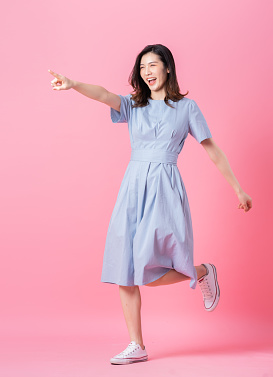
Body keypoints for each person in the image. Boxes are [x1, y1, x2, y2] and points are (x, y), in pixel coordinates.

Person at [48, 44, 252, 365]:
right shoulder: (134, 105)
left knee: (148, 266)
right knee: (123, 267)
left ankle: (201, 272)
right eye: (142, 67)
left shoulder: (187, 108)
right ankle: (137, 345)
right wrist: (74, 84)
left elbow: (211, 148)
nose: (147, 72)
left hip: (164, 187)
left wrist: (238, 189)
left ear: (167, 68)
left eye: (153, 65)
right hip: (132, 188)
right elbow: (103, 95)